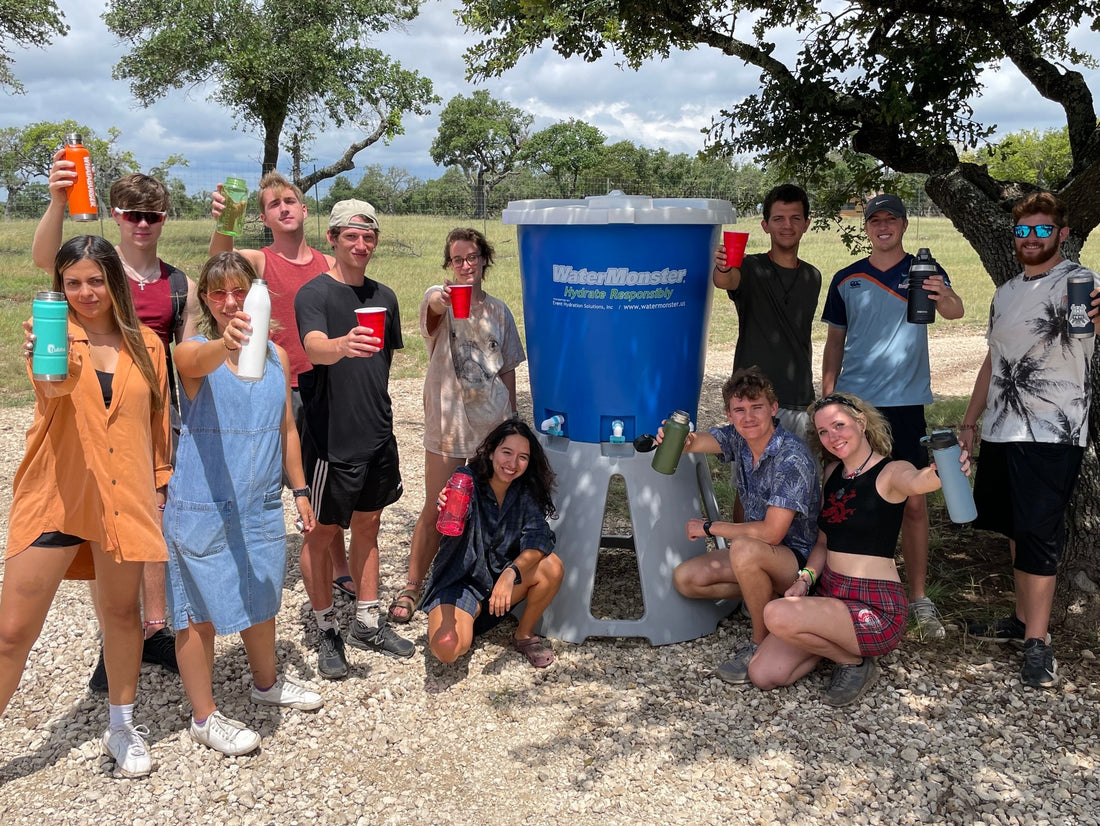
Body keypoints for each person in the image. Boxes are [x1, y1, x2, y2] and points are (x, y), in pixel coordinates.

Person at [3, 235, 171, 777]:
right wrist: (41, 356)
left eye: (95, 280)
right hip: (58, 495)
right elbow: (50, 392)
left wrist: (160, 486)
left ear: (114, 282)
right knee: (12, 632)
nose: (84, 292)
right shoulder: (55, 334)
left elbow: (158, 427)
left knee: (122, 615)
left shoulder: (148, 344)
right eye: (72, 282)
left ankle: (121, 725)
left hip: (123, 498)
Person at [33, 162, 200, 690]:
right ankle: (115, 639)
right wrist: (59, 199)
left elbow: (186, 354)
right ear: (116, 216)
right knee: (105, 527)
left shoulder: (179, 284)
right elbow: (44, 260)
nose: (143, 225)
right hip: (91, 414)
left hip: (153, 413)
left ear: (164, 218)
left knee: (150, 521)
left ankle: (149, 632)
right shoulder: (96, 270)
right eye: (132, 215)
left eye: (152, 216)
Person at [164, 252, 323, 755]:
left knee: (261, 593)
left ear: (257, 292)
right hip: (202, 504)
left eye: (240, 290)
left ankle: (266, 682)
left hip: (257, 501)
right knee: (197, 611)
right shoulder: (192, 351)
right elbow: (196, 361)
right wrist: (224, 342)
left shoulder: (275, 355)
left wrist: (299, 491)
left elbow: (287, 429)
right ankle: (204, 715)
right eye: (218, 293)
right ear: (207, 302)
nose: (230, 301)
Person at [960, 191, 1100, 689]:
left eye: (1043, 230)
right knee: (1017, 529)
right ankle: (1021, 623)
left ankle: (1039, 645)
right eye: (1023, 231)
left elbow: (1090, 330)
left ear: (1062, 233)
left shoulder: (1080, 282)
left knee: (1040, 534)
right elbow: (993, 360)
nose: (1032, 239)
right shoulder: (1006, 291)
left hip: (1052, 432)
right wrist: (971, 419)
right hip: (1002, 427)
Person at [748, 393, 969, 706]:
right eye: (823, 431)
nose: (832, 436)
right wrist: (805, 579)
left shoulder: (891, 472)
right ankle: (839, 649)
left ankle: (852, 662)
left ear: (861, 422)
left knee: (776, 613)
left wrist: (943, 469)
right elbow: (824, 541)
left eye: (839, 425)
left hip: (875, 606)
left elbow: (917, 481)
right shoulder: (832, 474)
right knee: (764, 673)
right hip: (831, 594)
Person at [820, 193, 965, 639]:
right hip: (856, 404)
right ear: (866, 227)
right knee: (844, 498)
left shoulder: (924, 269)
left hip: (905, 404)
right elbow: (834, 342)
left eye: (891, 219)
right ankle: (838, 584)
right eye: (875, 220)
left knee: (914, 502)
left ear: (904, 225)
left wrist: (943, 293)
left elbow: (956, 311)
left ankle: (918, 598)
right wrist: (828, 398)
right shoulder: (847, 278)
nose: (883, 226)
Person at [209, 172, 353, 599]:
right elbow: (219, 265)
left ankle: (337, 561)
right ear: (264, 218)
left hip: (325, 382)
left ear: (305, 209)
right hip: (277, 383)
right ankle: (249, 561)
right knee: (265, 474)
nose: (285, 207)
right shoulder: (257, 261)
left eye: (290, 200)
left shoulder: (329, 264)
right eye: (274, 204)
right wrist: (223, 225)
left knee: (327, 477)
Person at [294, 199, 413, 678]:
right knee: (322, 536)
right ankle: (326, 630)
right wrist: (341, 345)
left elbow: (385, 364)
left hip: (377, 434)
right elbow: (313, 348)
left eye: (368, 237)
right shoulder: (315, 294)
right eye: (351, 236)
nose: (360, 245)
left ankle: (366, 621)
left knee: (368, 527)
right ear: (333, 239)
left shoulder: (385, 296)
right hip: (331, 440)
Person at [388, 228, 526, 624]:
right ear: (449, 265)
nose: (465, 265)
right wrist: (440, 297)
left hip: (492, 423)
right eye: (457, 259)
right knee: (438, 504)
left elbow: (509, 368)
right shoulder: (442, 299)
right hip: (448, 422)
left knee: (490, 506)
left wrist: (512, 421)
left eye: (472, 257)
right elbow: (432, 307)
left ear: (485, 259)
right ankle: (414, 584)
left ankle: (487, 581)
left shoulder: (499, 311)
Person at [665, 368, 820, 684]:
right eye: (739, 410)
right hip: (762, 556)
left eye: (757, 407)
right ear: (729, 414)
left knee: (746, 548)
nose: (748, 417)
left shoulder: (790, 456)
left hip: (797, 559)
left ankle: (759, 641)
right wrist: (682, 441)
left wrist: (711, 528)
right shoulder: (739, 438)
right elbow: (702, 441)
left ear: (773, 409)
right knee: (687, 579)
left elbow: (772, 534)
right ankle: (772, 601)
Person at [421, 419, 564, 668]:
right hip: (461, 584)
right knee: (447, 650)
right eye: (506, 452)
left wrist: (510, 574)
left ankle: (524, 635)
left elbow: (538, 539)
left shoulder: (526, 490)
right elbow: (456, 513)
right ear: (490, 452)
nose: (512, 463)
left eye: (522, 457)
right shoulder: (466, 479)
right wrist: (446, 503)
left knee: (551, 566)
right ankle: (463, 618)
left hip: (502, 585)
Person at [712, 185, 822, 440]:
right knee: (751, 476)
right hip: (753, 400)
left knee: (800, 477)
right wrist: (725, 266)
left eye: (795, 218)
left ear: (806, 224)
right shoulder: (751, 267)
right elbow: (725, 280)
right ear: (765, 225)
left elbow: (803, 336)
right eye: (778, 219)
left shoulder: (812, 276)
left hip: (799, 398)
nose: (787, 225)